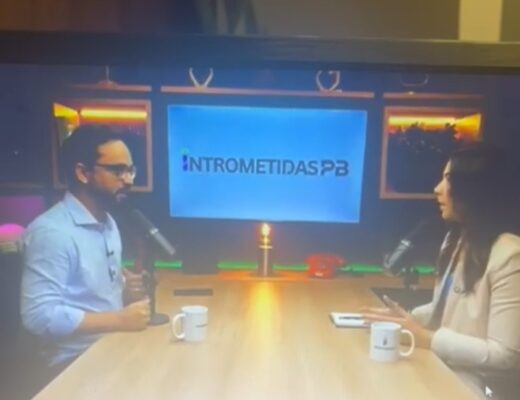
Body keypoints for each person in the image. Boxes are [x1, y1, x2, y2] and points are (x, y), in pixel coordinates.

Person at [362, 143, 520, 400]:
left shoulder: (510, 254)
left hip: (478, 389)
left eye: (448, 179)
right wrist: (406, 319)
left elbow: (506, 355)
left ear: (475, 190)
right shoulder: (457, 240)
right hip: (444, 373)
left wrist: (425, 338)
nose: (437, 189)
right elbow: (449, 308)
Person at [21, 125, 150, 373]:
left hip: (111, 347)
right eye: (117, 170)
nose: (128, 180)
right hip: (72, 363)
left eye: (130, 170)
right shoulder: (52, 233)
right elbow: (38, 315)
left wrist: (124, 289)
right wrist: (119, 319)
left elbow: (89, 295)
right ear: (83, 173)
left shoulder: (108, 222)